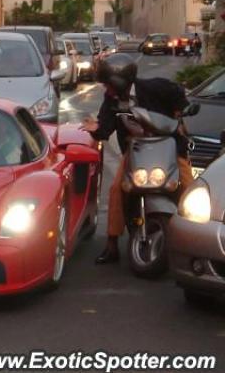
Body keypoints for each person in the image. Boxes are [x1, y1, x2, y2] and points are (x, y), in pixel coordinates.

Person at [80, 53, 193, 264]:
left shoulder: (154, 87)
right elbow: (105, 128)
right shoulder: (111, 100)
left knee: (190, 186)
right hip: (136, 148)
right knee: (116, 189)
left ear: (119, 81)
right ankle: (112, 245)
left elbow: (178, 93)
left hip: (167, 144)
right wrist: (95, 130)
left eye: (108, 83)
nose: (106, 88)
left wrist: (181, 112)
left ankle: (198, 240)